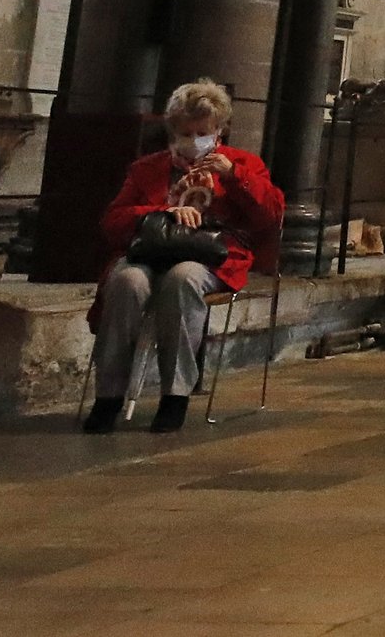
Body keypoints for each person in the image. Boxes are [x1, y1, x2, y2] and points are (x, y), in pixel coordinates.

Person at [84, 79, 287, 434]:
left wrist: (235, 176)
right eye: (185, 132)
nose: (194, 140)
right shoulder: (147, 169)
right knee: (125, 281)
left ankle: (174, 395)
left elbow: (270, 215)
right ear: (172, 131)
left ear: (219, 130)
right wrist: (162, 212)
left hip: (209, 256)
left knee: (183, 279)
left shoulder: (244, 163)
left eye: (202, 132)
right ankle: (108, 396)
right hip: (151, 251)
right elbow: (112, 222)